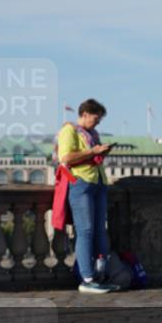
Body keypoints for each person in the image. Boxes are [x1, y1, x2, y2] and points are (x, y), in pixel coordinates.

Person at [56, 98, 119, 294]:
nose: (98, 122)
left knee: (100, 230)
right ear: (84, 114)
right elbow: (65, 157)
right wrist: (93, 150)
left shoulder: (94, 133)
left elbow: (93, 157)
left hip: (98, 182)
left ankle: (100, 275)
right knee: (85, 230)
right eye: (96, 118)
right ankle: (86, 278)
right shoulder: (69, 131)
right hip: (80, 183)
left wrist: (102, 152)